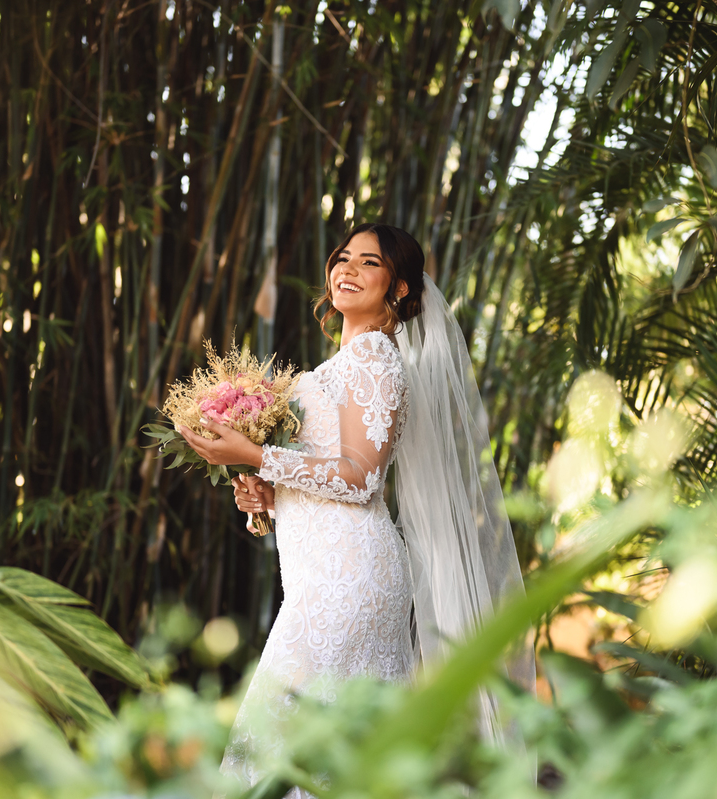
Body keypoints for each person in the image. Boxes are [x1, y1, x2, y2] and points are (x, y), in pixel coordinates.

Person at [179, 223, 530, 796]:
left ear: (399, 290)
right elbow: (327, 476)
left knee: (276, 743)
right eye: (343, 257)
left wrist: (257, 455)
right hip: (323, 575)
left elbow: (362, 477)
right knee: (316, 749)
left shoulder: (372, 357)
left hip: (349, 581)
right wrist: (267, 496)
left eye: (369, 263)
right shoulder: (340, 365)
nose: (348, 269)